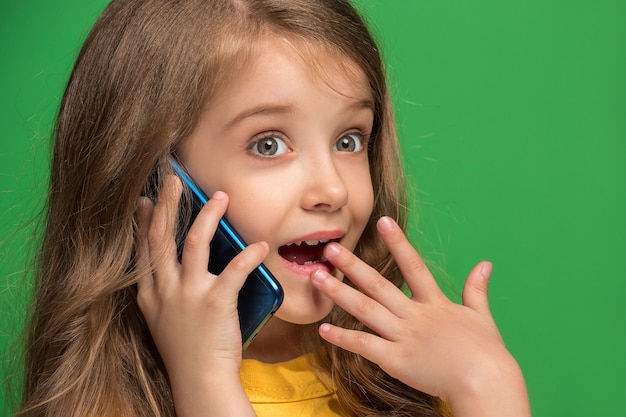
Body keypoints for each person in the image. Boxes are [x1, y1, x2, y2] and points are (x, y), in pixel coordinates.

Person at [17, 0, 531, 416]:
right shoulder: (104, 405)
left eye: (350, 140)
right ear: (154, 181)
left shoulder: (417, 381)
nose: (332, 189)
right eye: (268, 145)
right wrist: (204, 382)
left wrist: (489, 387)